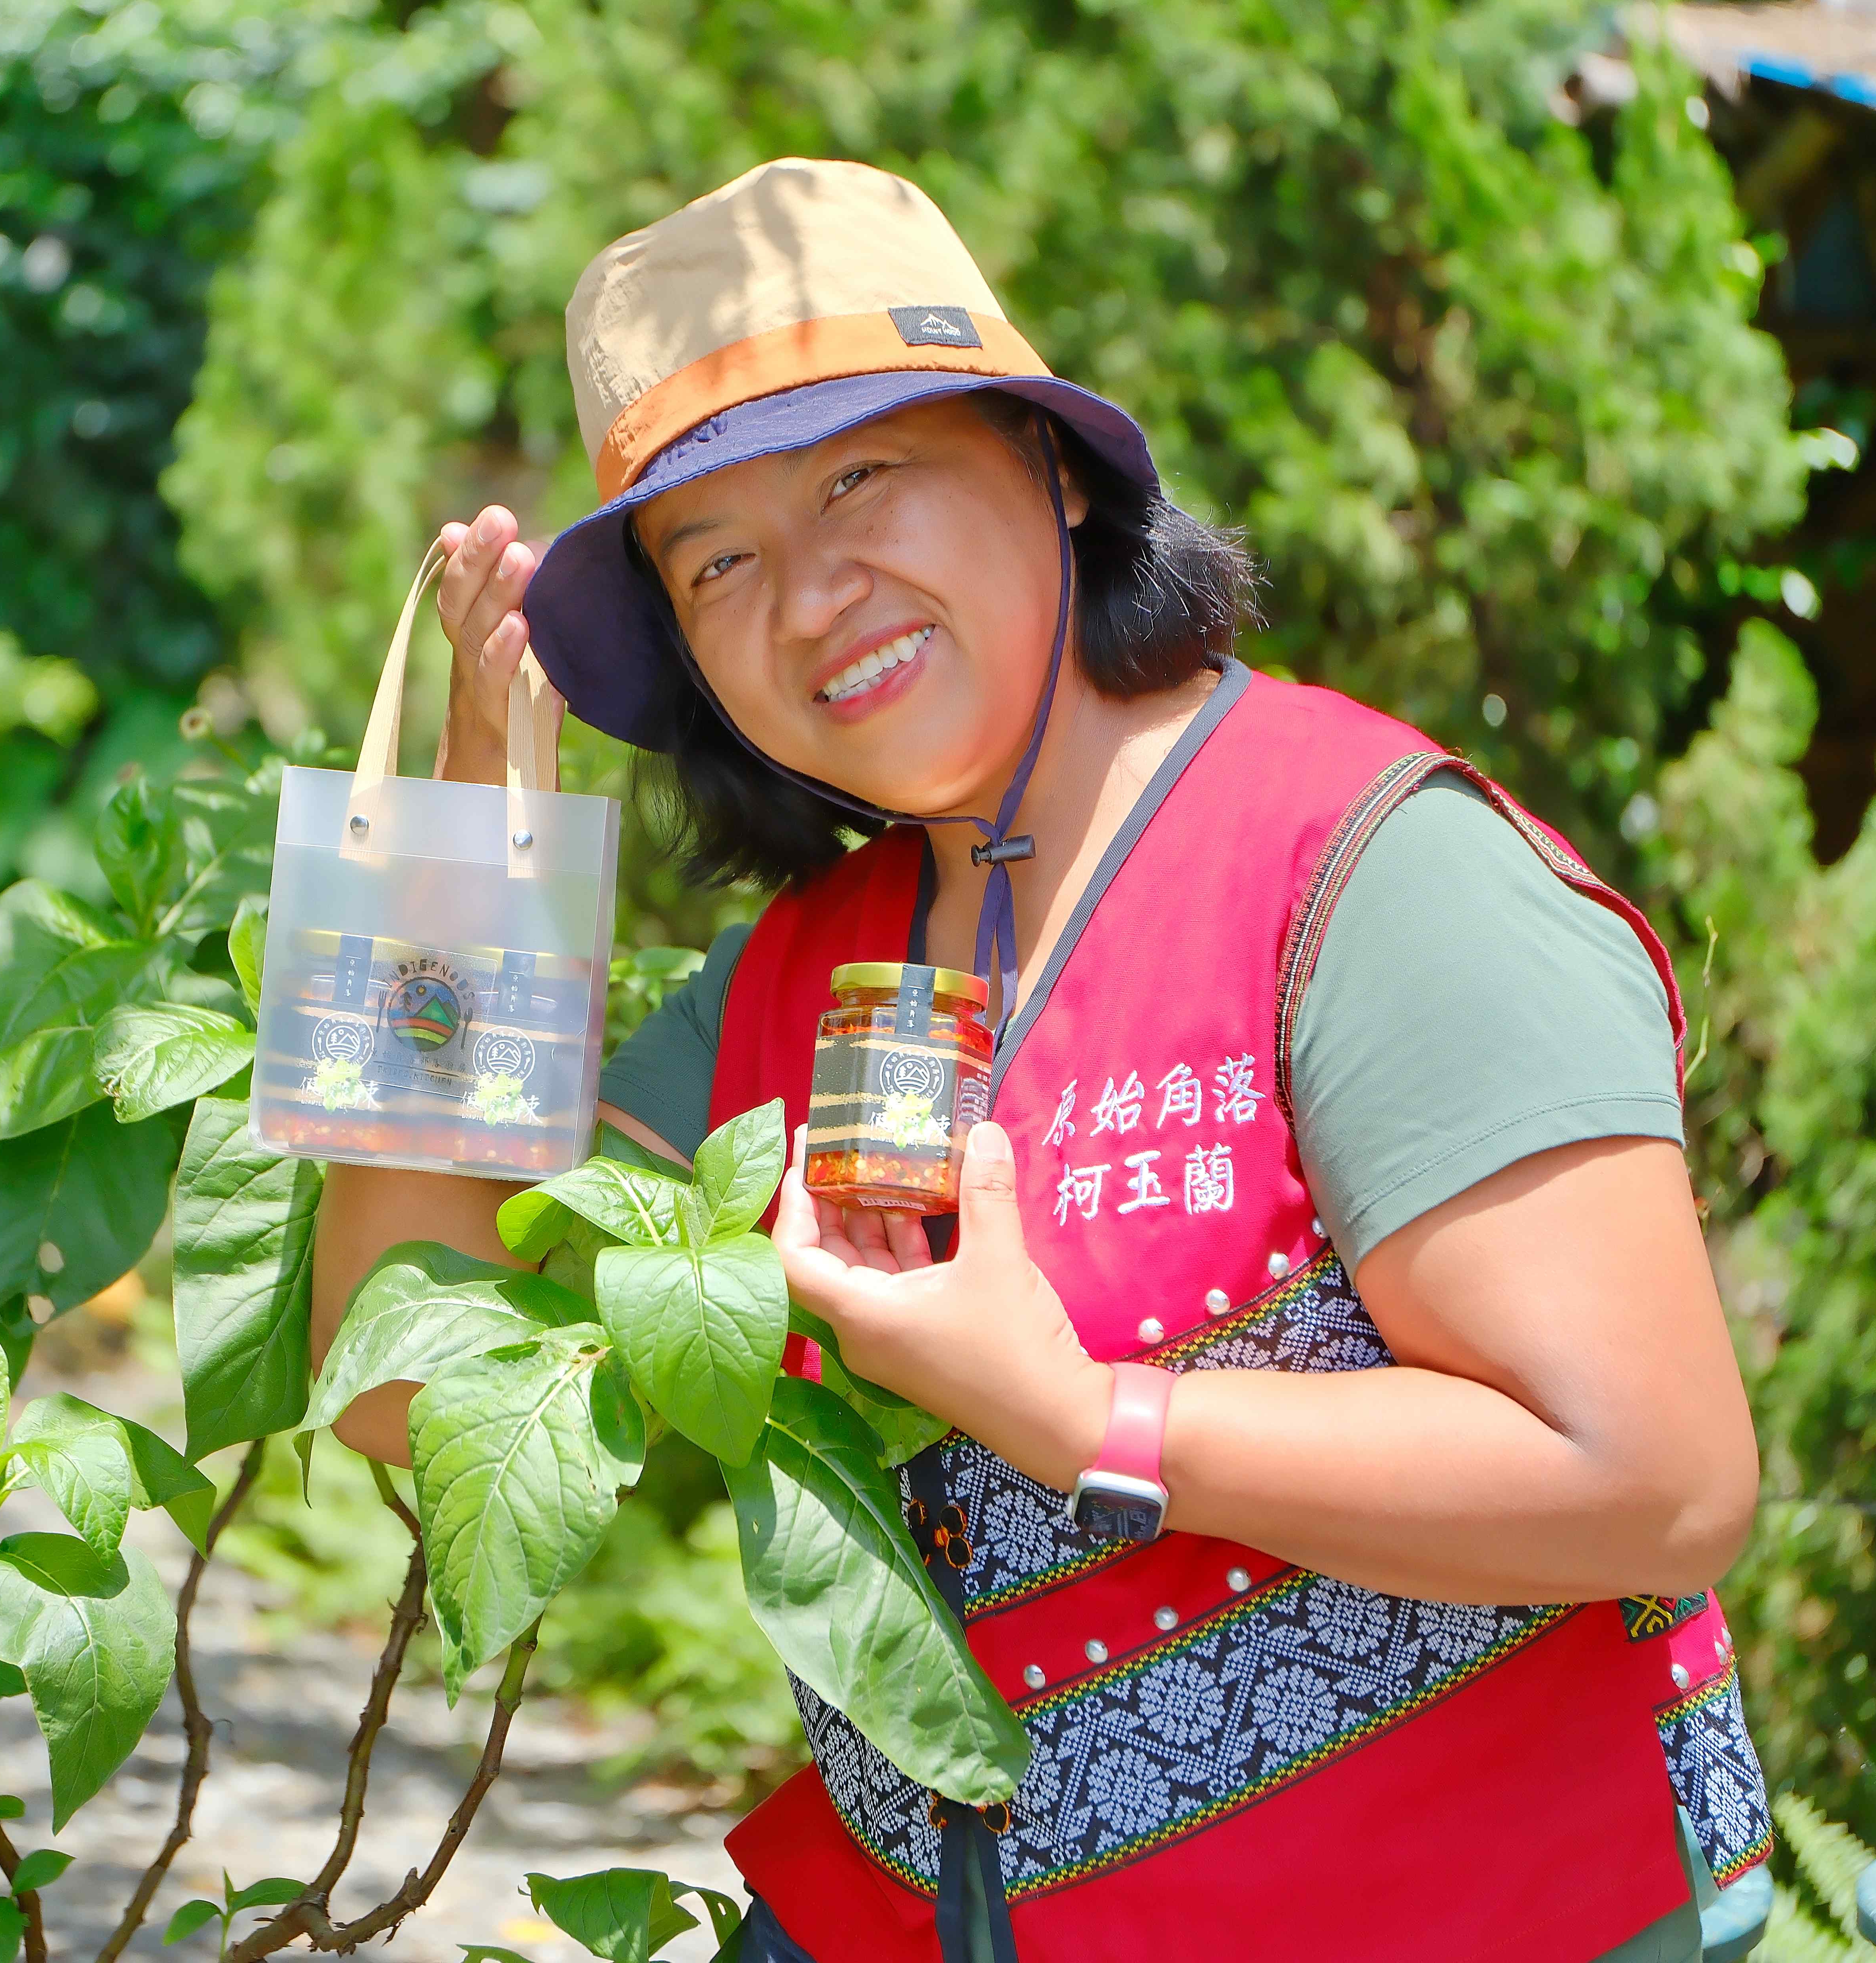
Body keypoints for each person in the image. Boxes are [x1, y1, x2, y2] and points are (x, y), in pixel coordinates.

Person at [308, 157, 1766, 1962]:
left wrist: (1087, 1421)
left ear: (1055, 467)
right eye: (719, 560)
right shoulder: (790, 980)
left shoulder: (1362, 863)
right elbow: (408, 1381)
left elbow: (1659, 1480)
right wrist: (466, 842)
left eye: (859, 478)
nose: (811, 594)